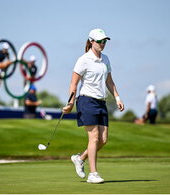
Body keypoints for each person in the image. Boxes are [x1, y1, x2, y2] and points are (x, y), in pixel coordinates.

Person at [62, 28, 124, 184]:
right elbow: (73, 83)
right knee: (94, 137)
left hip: (101, 102)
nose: (103, 44)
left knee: (103, 139)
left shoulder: (106, 59)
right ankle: (93, 174)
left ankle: (80, 158)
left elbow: (109, 81)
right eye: (100, 41)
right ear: (91, 41)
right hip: (86, 101)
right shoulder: (83, 60)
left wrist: (117, 97)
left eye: (104, 41)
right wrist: (70, 103)